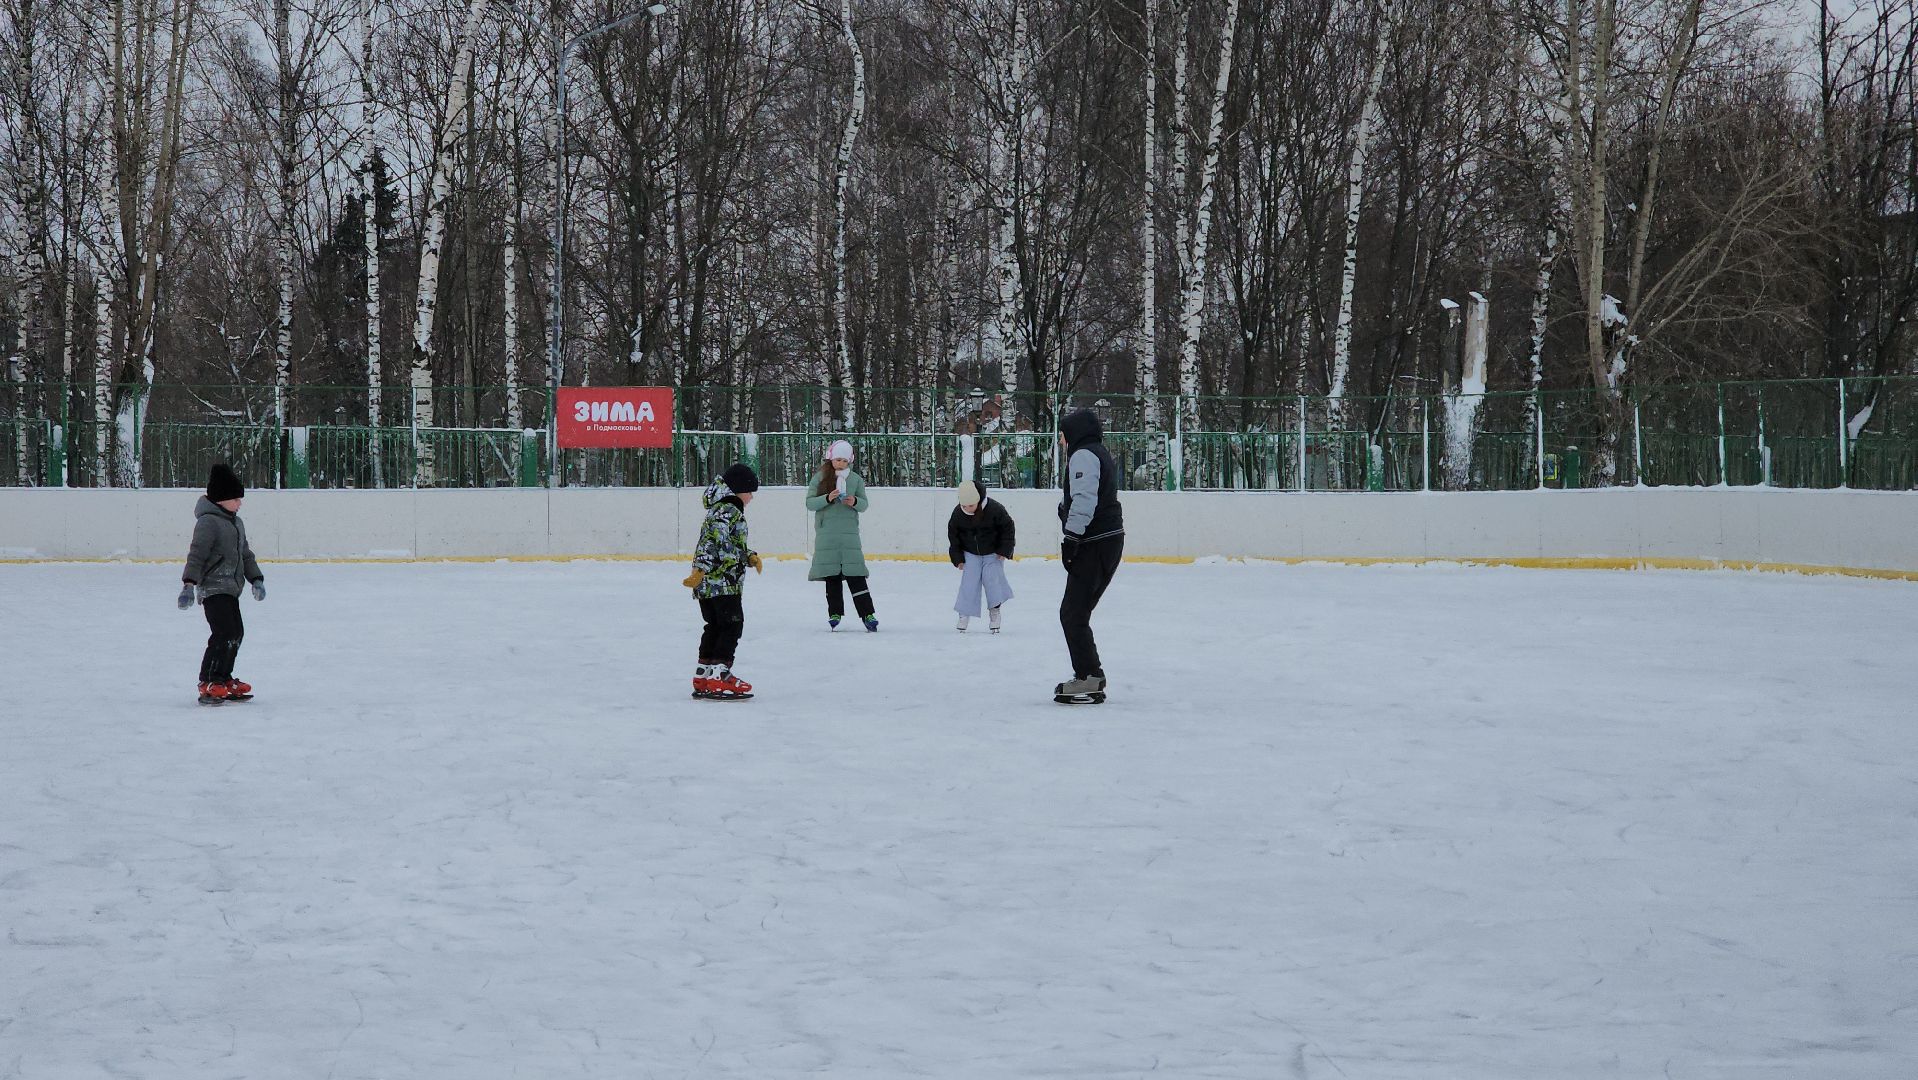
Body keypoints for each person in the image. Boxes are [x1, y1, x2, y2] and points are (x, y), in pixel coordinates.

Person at [178, 463, 266, 706]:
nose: (240, 503)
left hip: (231, 588)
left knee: (236, 633)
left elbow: (245, 554)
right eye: (236, 498)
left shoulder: (236, 523)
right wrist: (188, 584)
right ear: (221, 499)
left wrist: (256, 579)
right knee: (223, 633)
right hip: (213, 588)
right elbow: (196, 555)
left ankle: (223, 678)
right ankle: (208, 680)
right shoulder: (208, 523)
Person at [1055, 409, 1124, 704]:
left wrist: (1071, 538)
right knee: (1076, 613)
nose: (1060, 441)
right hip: (1108, 540)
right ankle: (1090, 674)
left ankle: (1089, 676)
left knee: (1072, 613)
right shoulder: (1098, 452)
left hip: (1095, 542)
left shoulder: (1083, 455)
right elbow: (1086, 494)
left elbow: (1085, 499)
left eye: (1062, 434)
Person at [683, 463, 762, 700]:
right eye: (750, 492)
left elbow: (722, 541)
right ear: (738, 489)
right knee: (731, 626)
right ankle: (719, 675)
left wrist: (748, 556)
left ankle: (704, 673)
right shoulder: (729, 510)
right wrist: (735, 559)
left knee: (714, 626)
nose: (751, 498)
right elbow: (717, 542)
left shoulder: (718, 509)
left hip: (707, 583)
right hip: (722, 582)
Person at [805, 439, 878, 631]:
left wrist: (854, 501)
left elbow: (864, 505)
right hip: (827, 535)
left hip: (849, 536)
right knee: (832, 576)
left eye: (845, 461)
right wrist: (827, 498)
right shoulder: (820, 477)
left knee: (856, 575)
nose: (841, 464)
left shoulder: (855, 479)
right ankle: (834, 613)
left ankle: (868, 614)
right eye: (838, 459)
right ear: (830, 458)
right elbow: (810, 503)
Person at [947, 479, 1015, 633]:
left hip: (993, 553)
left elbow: (1008, 528)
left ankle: (995, 612)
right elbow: (954, 537)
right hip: (970, 553)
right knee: (968, 584)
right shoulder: (958, 513)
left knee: (993, 581)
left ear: (978, 500)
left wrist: (1004, 550)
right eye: (964, 506)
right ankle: (964, 614)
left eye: (971, 506)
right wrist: (957, 558)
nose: (967, 509)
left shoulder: (994, 509)